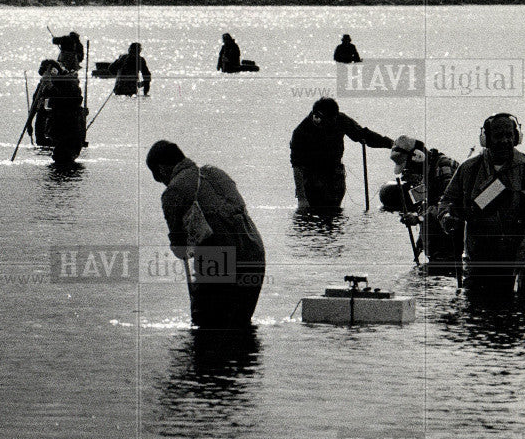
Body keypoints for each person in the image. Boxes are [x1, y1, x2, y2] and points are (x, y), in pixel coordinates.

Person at [146, 140, 265, 329]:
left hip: (218, 257)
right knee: (241, 329)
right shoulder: (216, 173)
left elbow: (180, 249)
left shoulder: (173, 191)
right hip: (254, 249)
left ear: (161, 170)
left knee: (207, 329)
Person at [437, 113, 525, 296]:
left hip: (514, 265)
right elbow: (447, 201)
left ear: (516, 137)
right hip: (477, 262)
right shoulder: (469, 169)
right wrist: (447, 217)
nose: (505, 140)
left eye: (509, 135)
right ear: (486, 139)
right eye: (498, 135)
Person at [289, 96, 391, 211]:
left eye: (333, 120)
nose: (332, 124)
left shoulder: (340, 119)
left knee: (335, 215)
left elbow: (363, 135)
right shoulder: (301, 132)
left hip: (335, 178)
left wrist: (390, 144)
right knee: (314, 214)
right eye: (329, 122)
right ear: (317, 117)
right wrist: (302, 198)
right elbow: (297, 166)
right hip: (312, 182)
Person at [379, 135, 462, 269]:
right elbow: (427, 206)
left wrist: (418, 219)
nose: (408, 173)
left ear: (418, 157)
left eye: (408, 168)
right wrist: (420, 243)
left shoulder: (444, 168)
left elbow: (446, 207)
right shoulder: (428, 172)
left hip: (452, 236)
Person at [29, 58, 86, 163]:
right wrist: (29, 122)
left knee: (63, 156)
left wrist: (51, 87)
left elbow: (69, 101)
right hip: (57, 125)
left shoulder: (69, 82)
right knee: (56, 155)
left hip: (70, 125)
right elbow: (35, 101)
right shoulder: (45, 83)